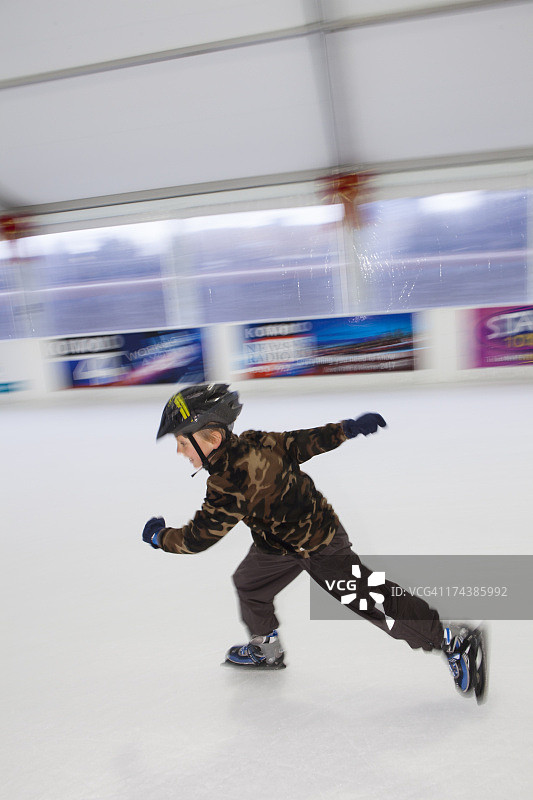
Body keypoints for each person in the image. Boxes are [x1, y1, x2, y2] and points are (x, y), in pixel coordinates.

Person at [142, 383, 486, 702]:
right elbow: (301, 442)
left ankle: (450, 639)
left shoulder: (227, 483)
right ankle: (266, 648)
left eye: (183, 442)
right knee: (249, 583)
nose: (179, 450)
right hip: (277, 544)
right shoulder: (255, 441)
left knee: (373, 603)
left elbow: (197, 538)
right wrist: (345, 429)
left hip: (320, 546)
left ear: (213, 439)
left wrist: (160, 537)